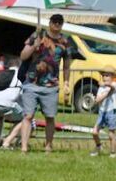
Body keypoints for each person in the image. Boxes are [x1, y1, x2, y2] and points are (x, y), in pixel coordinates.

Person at [18, 13, 75, 153]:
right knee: (28, 116)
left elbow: (67, 65)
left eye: (59, 22)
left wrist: (66, 82)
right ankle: (24, 147)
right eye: (54, 21)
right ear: (49, 22)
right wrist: (34, 46)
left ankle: (48, 146)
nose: (56, 24)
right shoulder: (37, 35)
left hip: (51, 86)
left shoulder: (65, 42)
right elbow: (23, 55)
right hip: (31, 82)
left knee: (50, 117)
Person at [90, 69, 116, 157]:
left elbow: (112, 88)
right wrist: (96, 100)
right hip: (102, 112)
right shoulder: (101, 88)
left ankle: (113, 152)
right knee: (94, 132)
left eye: (107, 75)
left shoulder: (114, 84)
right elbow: (98, 99)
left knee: (111, 133)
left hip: (111, 111)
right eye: (103, 75)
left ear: (112, 77)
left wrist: (105, 85)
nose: (104, 77)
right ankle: (99, 146)